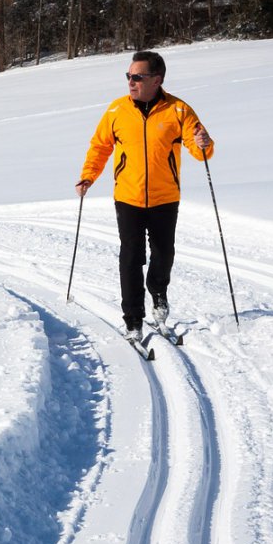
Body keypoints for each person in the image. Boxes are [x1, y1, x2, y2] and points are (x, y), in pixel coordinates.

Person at [75, 51, 213, 341]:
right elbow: (100, 147)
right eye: (128, 76)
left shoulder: (178, 110)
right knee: (131, 257)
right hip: (128, 197)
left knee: (163, 255)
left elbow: (199, 148)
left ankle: (159, 295)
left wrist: (204, 143)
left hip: (165, 197)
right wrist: (88, 176)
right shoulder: (117, 110)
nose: (131, 82)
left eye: (137, 77)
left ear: (156, 80)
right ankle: (133, 319)